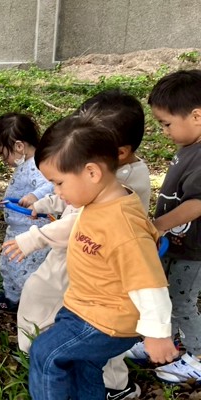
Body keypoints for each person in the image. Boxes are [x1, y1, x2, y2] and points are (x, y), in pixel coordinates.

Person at [9, 89, 152, 399]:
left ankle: (110, 383)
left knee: (55, 345)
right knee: (82, 351)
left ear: (116, 154)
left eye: (59, 183)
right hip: (81, 267)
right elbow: (71, 200)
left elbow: (80, 223)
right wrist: (46, 202)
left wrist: (35, 237)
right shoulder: (99, 180)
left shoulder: (120, 198)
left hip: (96, 278)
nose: (58, 188)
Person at [27, 114, 177, 399]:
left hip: (105, 321)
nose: (57, 191)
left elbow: (149, 282)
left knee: (46, 353)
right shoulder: (99, 200)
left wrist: (157, 334)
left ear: (92, 173)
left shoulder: (122, 225)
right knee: (83, 366)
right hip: (85, 308)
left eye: (59, 183)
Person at [145, 70, 201, 383]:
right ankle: (170, 343)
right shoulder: (190, 147)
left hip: (193, 251)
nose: (164, 131)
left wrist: (159, 225)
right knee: (166, 296)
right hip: (176, 246)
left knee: (182, 302)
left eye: (166, 124)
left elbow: (197, 204)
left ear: (197, 116)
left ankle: (198, 357)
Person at [0, 113, 53, 312]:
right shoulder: (27, 165)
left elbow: (50, 186)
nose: (2, 159)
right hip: (16, 227)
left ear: (19, 146)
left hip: (31, 229)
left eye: (3, 153)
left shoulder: (38, 165)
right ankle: (12, 297)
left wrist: (35, 195)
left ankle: (29, 303)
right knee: (9, 264)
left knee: (25, 268)